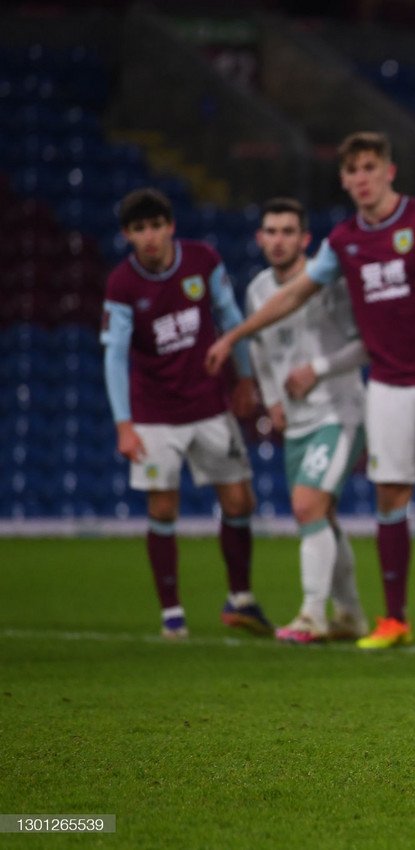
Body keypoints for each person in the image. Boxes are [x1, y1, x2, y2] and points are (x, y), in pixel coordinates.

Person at [206, 131, 415, 651]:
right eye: (352, 171)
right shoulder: (343, 241)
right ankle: (393, 620)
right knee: (390, 494)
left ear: (389, 170)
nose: (362, 178)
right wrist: (235, 334)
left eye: (370, 167)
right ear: (343, 180)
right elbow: (294, 293)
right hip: (387, 387)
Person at [101, 187, 272, 639]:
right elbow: (115, 356)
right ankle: (171, 613)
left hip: (210, 405)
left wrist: (246, 378)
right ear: (128, 236)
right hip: (155, 414)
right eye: (140, 229)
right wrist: (124, 424)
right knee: (163, 506)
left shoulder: (202, 261)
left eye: (156, 226)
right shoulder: (122, 284)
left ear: (170, 226)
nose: (150, 236)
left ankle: (241, 599)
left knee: (239, 500)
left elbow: (230, 316)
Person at [245, 198, 369, 644]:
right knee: (322, 515)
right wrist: (273, 398)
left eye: (288, 232)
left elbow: (364, 346)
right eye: (271, 232)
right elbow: (259, 350)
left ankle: (312, 614)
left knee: (305, 506)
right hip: (297, 422)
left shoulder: (328, 284)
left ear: (305, 239)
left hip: (341, 412)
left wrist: (315, 370)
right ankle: (351, 614)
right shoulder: (258, 289)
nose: (279, 240)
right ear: (260, 238)